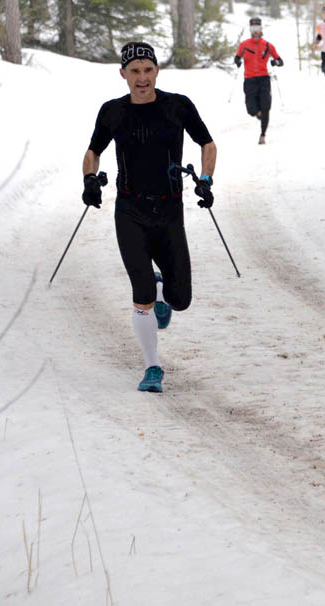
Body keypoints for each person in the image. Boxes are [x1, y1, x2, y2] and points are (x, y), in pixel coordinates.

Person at [83, 41, 217, 393]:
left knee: (180, 300)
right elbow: (93, 152)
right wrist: (89, 181)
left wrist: (205, 180)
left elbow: (207, 143)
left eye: (148, 70)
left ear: (156, 71)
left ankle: (162, 289)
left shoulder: (178, 106)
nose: (142, 78)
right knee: (140, 294)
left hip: (169, 210)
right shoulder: (113, 111)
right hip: (130, 210)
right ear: (123, 74)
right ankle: (152, 368)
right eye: (134, 71)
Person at [234, 17, 283, 144]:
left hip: (263, 79)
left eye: (257, 28)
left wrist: (275, 62)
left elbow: (280, 61)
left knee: (266, 106)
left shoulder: (267, 45)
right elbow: (237, 57)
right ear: (250, 30)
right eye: (253, 28)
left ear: (261, 29)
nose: (255, 31)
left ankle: (263, 135)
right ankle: (259, 114)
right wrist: (238, 61)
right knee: (251, 110)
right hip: (249, 80)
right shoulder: (244, 45)